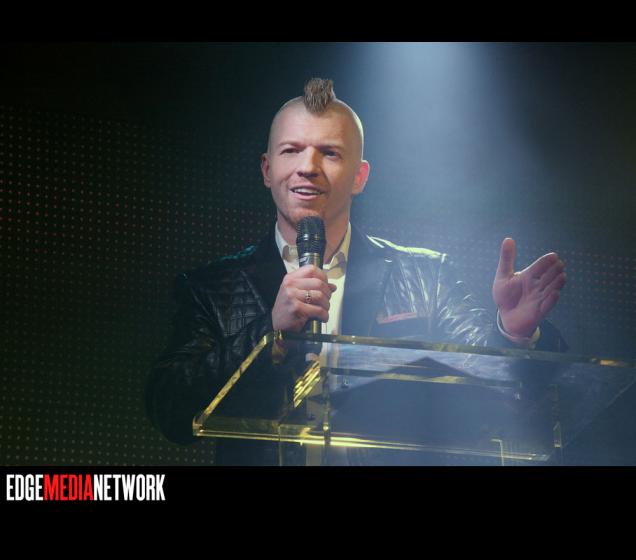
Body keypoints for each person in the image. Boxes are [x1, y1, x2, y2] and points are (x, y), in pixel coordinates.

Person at [145, 78, 568, 465]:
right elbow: (170, 409)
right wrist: (268, 333)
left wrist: (513, 333)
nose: (308, 166)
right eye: (291, 150)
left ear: (360, 176)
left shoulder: (425, 276)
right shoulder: (212, 288)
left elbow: (498, 389)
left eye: (329, 152)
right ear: (267, 169)